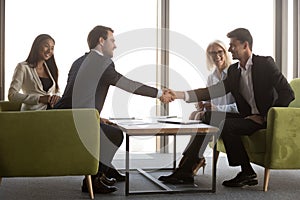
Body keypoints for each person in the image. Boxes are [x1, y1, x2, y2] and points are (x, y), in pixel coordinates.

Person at [163, 28, 295, 188]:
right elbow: (212, 91)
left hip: (264, 119)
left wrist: (267, 117)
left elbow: (288, 93)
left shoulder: (265, 64)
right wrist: (178, 94)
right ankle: (186, 169)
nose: (230, 49)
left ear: (245, 45)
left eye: (233, 45)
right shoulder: (234, 71)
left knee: (225, 124)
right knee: (207, 116)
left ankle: (247, 171)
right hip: (246, 117)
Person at [54, 25, 173, 194]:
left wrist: (95, 117)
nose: (115, 45)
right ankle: (95, 179)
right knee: (114, 134)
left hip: (64, 117)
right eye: (112, 40)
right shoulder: (102, 63)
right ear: (101, 41)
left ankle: (107, 170)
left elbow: (75, 95)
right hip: (75, 123)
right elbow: (128, 84)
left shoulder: (79, 61)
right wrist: (160, 93)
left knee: (112, 128)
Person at [159, 40, 239, 184]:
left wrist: (216, 109)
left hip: (233, 115)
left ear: (225, 53)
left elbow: (241, 106)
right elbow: (211, 97)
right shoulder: (212, 77)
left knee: (201, 117)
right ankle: (189, 163)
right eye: (212, 53)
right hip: (218, 114)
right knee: (196, 115)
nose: (217, 56)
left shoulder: (234, 73)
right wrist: (205, 104)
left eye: (219, 52)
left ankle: (188, 164)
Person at [8, 34, 61, 110]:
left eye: (52, 48)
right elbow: (12, 95)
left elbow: (57, 91)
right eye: (46, 46)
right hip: (31, 114)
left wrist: (56, 97)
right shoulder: (23, 67)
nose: (49, 51)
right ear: (37, 46)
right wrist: (39, 99)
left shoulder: (51, 69)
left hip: (50, 114)